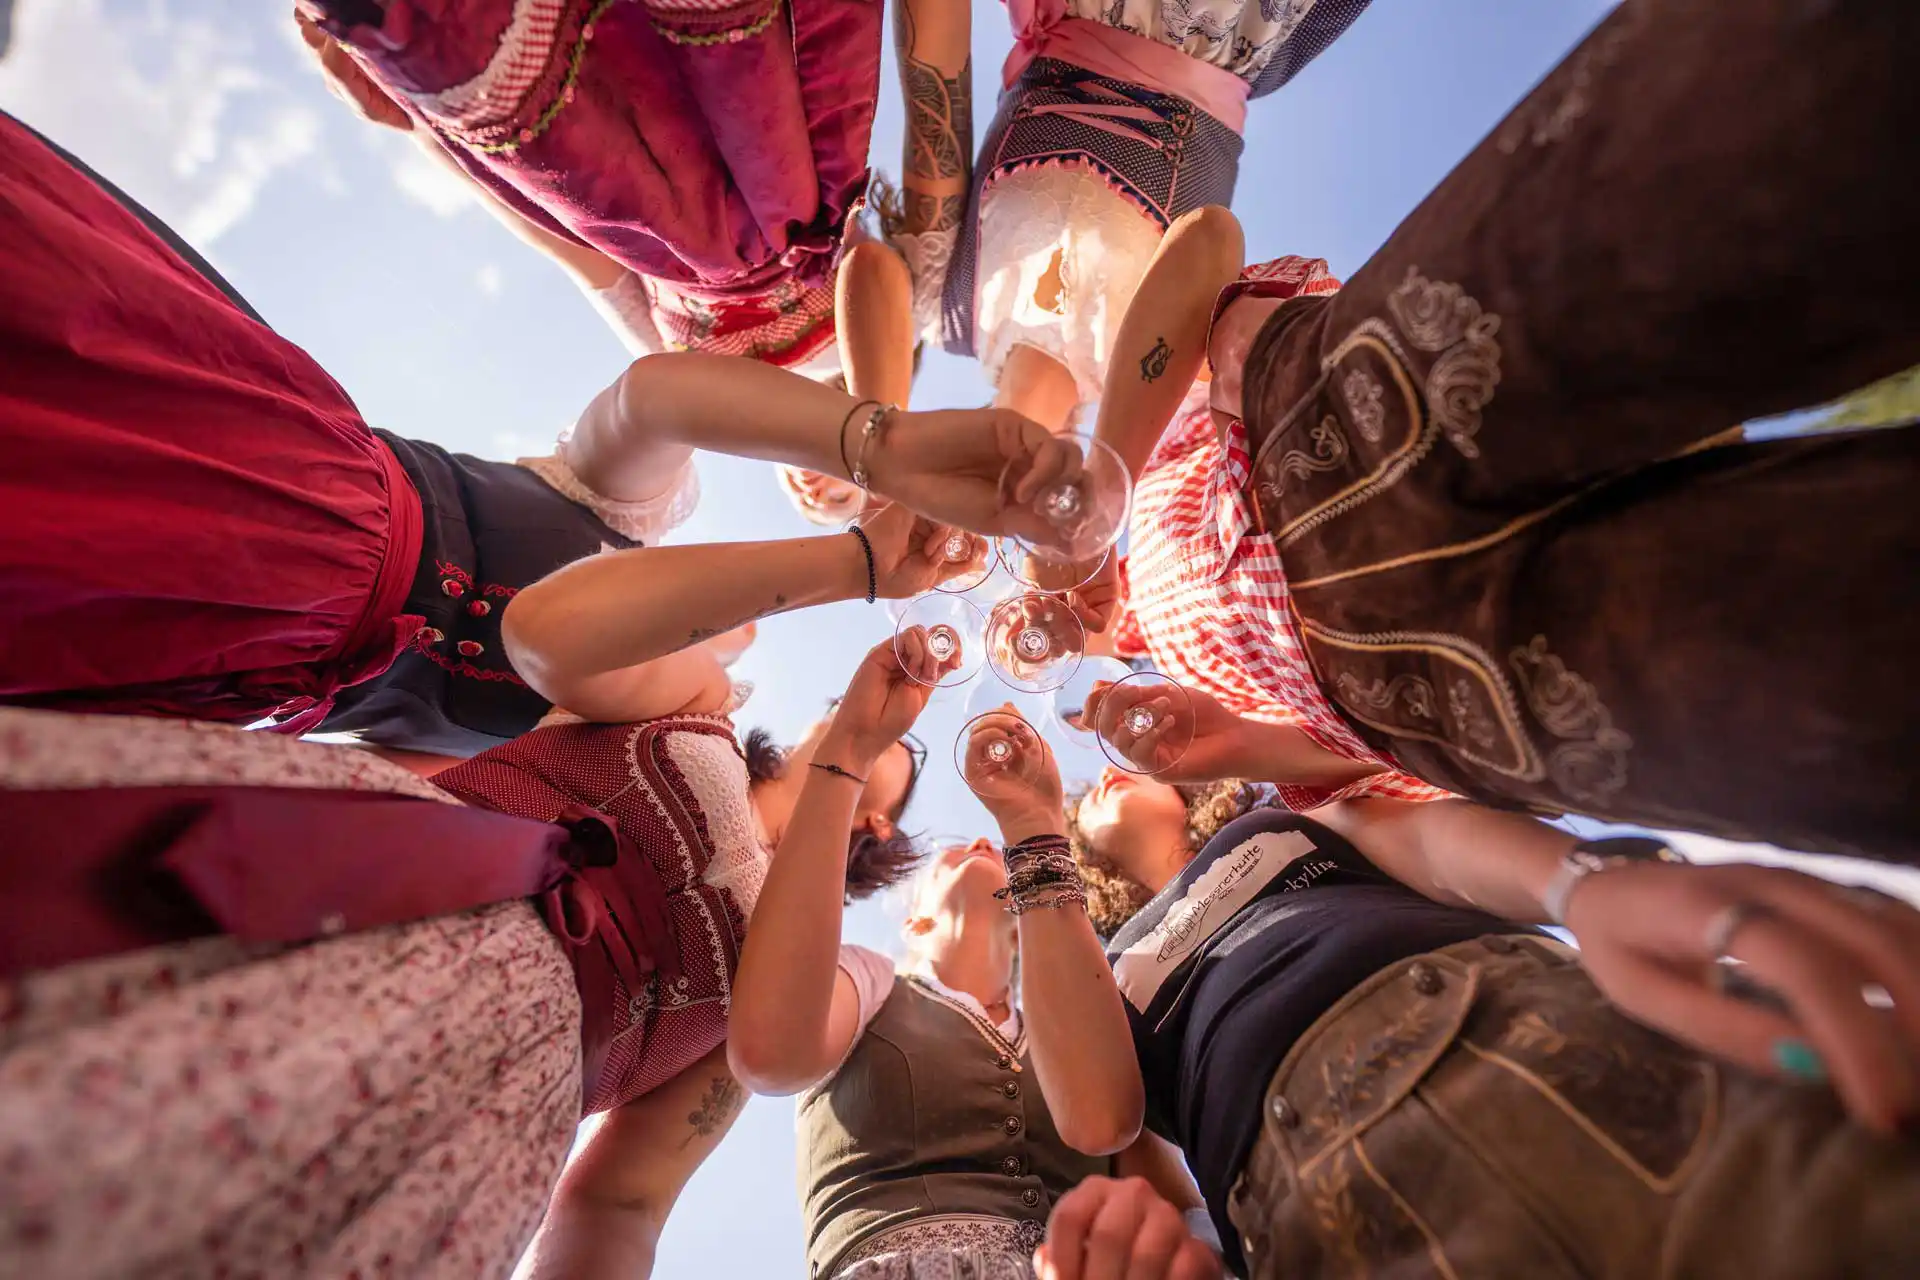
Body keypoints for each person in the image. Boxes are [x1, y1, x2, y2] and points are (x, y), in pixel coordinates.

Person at [1067, 0, 1920, 862]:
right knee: (1839, 676)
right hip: (1441, 686)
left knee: (1765, 156)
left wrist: (1092, 503)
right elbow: (1371, 781)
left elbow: (1203, 246)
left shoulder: (1137, 475)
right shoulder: (1177, 694)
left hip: (1362, 407)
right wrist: (1216, 745)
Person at [0, 112, 1069, 752]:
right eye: (737, 630)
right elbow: (656, 396)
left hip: (198, 654)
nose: (736, 653)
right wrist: (878, 454)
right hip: (286, 469)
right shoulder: (618, 516)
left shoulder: (572, 747)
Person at [0, 609, 946, 1277]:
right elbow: (556, 634)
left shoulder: (789, 975)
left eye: (885, 752)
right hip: (368, 867)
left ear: (874, 835)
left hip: (467, 1101)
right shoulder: (699, 706)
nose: (871, 708)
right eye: (859, 703)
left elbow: (618, 1205)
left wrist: (853, 758)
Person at [960, 692, 1920, 1280]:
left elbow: (1424, 836)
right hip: (1322, 1211)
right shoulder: (1099, 958)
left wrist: (1582, 883)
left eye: (1113, 776)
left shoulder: (1272, 828)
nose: (1098, 783)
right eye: (1083, 800)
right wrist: (1034, 827)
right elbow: (1095, 1116)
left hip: (1526, 1027)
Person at [719, 655, 1224, 1280]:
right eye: (956, 850)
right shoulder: (868, 981)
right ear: (914, 921)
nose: (982, 842)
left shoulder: (1077, 1014)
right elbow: (770, 1053)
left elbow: (1170, 1202)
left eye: (989, 843)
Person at [933, 0, 1375, 436]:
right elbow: (1219, 245)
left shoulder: (946, 308)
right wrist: (1112, 472)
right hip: (1222, 31)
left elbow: (932, 110)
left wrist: (871, 446)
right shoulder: (1174, 378)